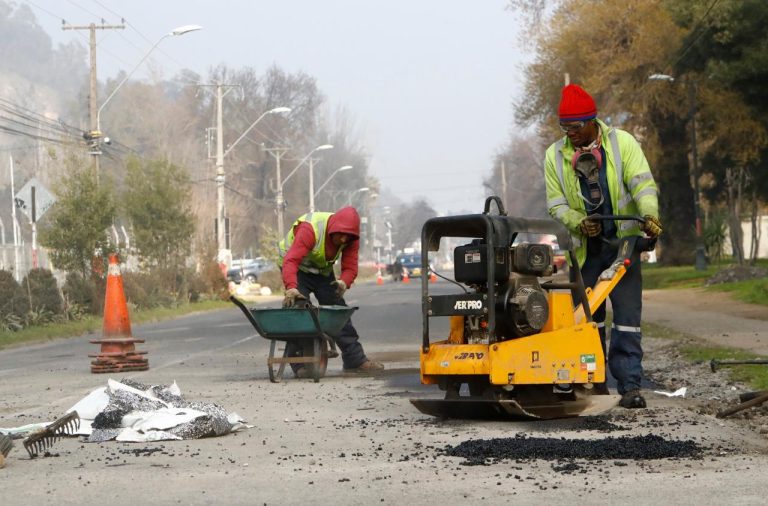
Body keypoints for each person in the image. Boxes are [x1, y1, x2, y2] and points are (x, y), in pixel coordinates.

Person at [543, 84, 662, 409]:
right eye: (565, 128)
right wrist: (578, 221)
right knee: (585, 320)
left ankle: (629, 386)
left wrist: (649, 216)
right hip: (587, 250)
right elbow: (555, 205)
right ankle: (591, 383)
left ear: (592, 121)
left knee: (626, 318)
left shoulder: (622, 143)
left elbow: (642, 184)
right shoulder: (554, 156)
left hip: (623, 245)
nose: (571, 134)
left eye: (576, 127)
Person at [278, 206, 384, 377]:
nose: (343, 240)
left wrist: (344, 282)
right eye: (340, 234)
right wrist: (291, 287)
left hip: (321, 272)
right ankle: (300, 365)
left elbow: (350, 266)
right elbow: (291, 260)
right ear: (332, 229)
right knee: (299, 311)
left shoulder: (351, 238)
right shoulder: (310, 230)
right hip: (295, 268)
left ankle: (354, 359)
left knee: (337, 311)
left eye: (348, 237)